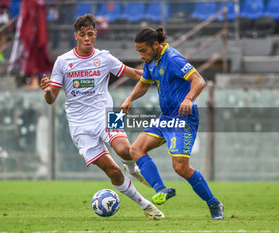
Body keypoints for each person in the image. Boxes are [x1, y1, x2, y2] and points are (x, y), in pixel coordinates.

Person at [40, 14, 164, 219]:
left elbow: (133, 73)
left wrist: (159, 76)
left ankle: (132, 169)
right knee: (114, 173)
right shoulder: (63, 62)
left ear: (95, 35)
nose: (87, 38)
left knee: (125, 149)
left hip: (106, 114)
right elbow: (51, 98)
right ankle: (146, 205)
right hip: (79, 125)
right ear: (76, 36)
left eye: (90, 34)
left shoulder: (104, 57)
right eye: (82, 35)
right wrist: (46, 91)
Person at [121, 27, 224, 220]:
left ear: (156, 45)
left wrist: (188, 98)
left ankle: (214, 203)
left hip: (184, 118)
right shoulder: (152, 60)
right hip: (166, 117)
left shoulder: (173, 59)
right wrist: (130, 98)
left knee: (181, 168)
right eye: (138, 52)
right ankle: (161, 189)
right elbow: (144, 83)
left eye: (143, 51)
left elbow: (199, 81)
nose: (141, 55)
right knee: (136, 149)